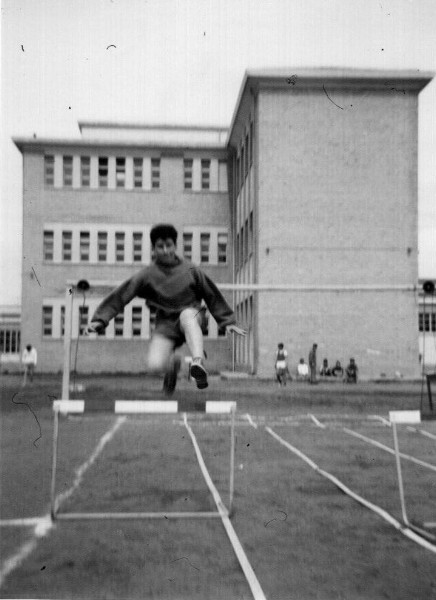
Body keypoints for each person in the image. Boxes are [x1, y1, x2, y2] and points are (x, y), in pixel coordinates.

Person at [86, 224, 246, 394]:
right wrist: (100, 319)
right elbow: (122, 295)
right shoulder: (147, 275)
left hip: (192, 314)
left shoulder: (191, 269)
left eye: (168, 246)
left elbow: (211, 293)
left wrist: (227, 320)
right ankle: (172, 366)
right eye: (160, 247)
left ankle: (197, 362)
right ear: (153, 249)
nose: (165, 250)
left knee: (187, 316)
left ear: (175, 246)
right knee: (155, 364)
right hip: (166, 323)